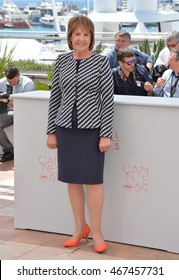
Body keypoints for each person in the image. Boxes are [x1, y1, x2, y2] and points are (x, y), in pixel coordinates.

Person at [46, 16, 114, 253]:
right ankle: (79, 228)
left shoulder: (101, 62)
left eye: (86, 34)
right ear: (70, 37)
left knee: (94, 181)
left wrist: (106, 134)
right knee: (73, 180)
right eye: (77, 34)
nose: (81, 39)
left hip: (92, 131)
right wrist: (51, 131)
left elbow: (108, 101)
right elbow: (55, 97)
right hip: (65, 130)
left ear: (91, 38)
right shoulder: (61, 61)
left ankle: (96, 231)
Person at [0, 66, 35, 162]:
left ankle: (9, 151)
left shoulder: (27, 84)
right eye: (9, 82)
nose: (12, 84)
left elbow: (25, 105)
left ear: (18, 75)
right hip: (3, 110)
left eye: (14, 82)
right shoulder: (2, 82)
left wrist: (7, 101)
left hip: (20, 111)